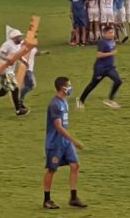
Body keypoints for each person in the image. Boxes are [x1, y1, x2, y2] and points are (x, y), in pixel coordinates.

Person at [43, 77, 87, 209]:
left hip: (65, 143)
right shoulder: (55, 104)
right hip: (55, 143)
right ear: (62, 88)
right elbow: (58, 126)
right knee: (52, 170)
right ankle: (46, 200)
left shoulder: (64, 102)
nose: (71, 87)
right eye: (69, 85)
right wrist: (74, 141)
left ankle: (73, 198)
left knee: (75, 165)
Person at [77, 25, 123, 110]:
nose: (112, 34)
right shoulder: (103, 42)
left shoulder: (112, 41)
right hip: (100, 69)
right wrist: (111, 53)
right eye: (110, 33)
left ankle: (110, 100)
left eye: (112, 32)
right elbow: (99, 55)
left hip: (110, 68)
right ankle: (81, 100)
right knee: (92, 85)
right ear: (104, 34)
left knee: (118, 81)